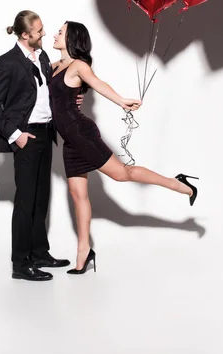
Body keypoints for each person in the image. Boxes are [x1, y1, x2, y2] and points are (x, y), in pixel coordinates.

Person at [49, 21, 199, 275]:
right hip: (69, 139)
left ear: (72, 38)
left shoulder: (79, 66)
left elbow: (98, 83)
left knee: (123, 174)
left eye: (60, 32)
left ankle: (179, 183)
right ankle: (83, 253)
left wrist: (121, 101)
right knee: (78, 195)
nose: (55, 34)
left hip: (81, 133)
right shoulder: (52, 67)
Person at [0, 10, 82, 281]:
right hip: (25, 138)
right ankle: (20, 263)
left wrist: (72, 101)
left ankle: (39, 253)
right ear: (25, 35)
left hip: (46, 134)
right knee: (25, 202)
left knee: (41, 199)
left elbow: (47, 93)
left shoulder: (42, 57)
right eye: (39, 31)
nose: (44, 34)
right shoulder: (7, 62)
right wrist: (17, 135)